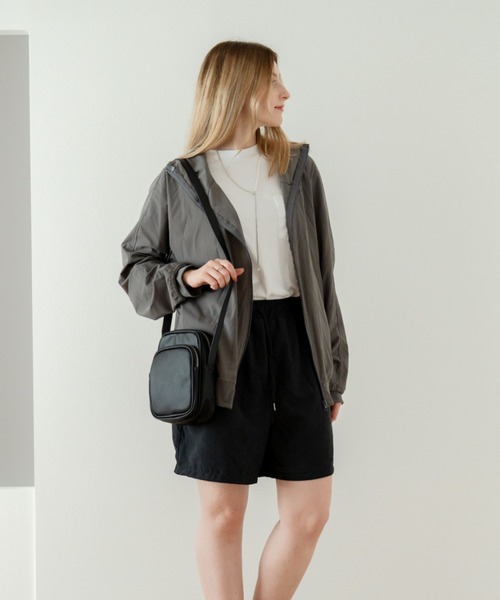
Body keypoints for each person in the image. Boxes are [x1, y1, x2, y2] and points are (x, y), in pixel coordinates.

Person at [119, 40, 348, 600]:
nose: (285, 92)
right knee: (223, 514)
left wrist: (333, 369)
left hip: (297, 343)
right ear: (239, 88)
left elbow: (323, 276)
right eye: (273, 80)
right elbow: (135, 270)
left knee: (309, 514)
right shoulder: (180, 180)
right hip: (220, 353)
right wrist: (188, 276)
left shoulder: (298, 170)